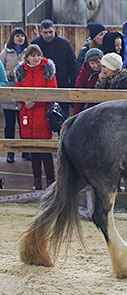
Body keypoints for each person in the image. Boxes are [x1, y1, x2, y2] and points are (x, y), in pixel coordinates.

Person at [14, 44, 57, 190]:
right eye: (32, 55)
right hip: (26, 113)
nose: (36, 58)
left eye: (38, 55)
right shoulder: (21, 71)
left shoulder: (48, 69)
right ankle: (36, 181)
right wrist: (24, 101)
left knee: (45, 150)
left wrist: (35, 101)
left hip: (42, 113)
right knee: (33, 150)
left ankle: (51, 182)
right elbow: (17, 90)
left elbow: (52, 90)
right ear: (27, 57)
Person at [30, 19, 78, 118]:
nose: (49, 35)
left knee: (63, 118)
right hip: (40, 86)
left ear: (55, 30)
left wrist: (73, 86)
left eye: (51, 32)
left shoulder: (65, 44)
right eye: (45, 33)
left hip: (62, 86)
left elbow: (73, 67)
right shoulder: (34, 45)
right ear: (41, 32)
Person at [0, 27, 29, 163]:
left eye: (22, 36)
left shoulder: (29, 52)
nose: (20, 38)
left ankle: (25, 150)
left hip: (24, 94)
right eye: (17, 36)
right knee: (10, 123)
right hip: (10, 94)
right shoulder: (5, 53)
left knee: (24, 122)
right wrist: (12, 73)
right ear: (12, 38)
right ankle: (10, 151)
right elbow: (2, 72)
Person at [74, 48, 103, 114]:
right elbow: (78, 93)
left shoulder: (106, 71)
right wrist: (77, 114)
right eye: (92, 63)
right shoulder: (84, 73)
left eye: (98, 62)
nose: (96, 66)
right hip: (88, 106)